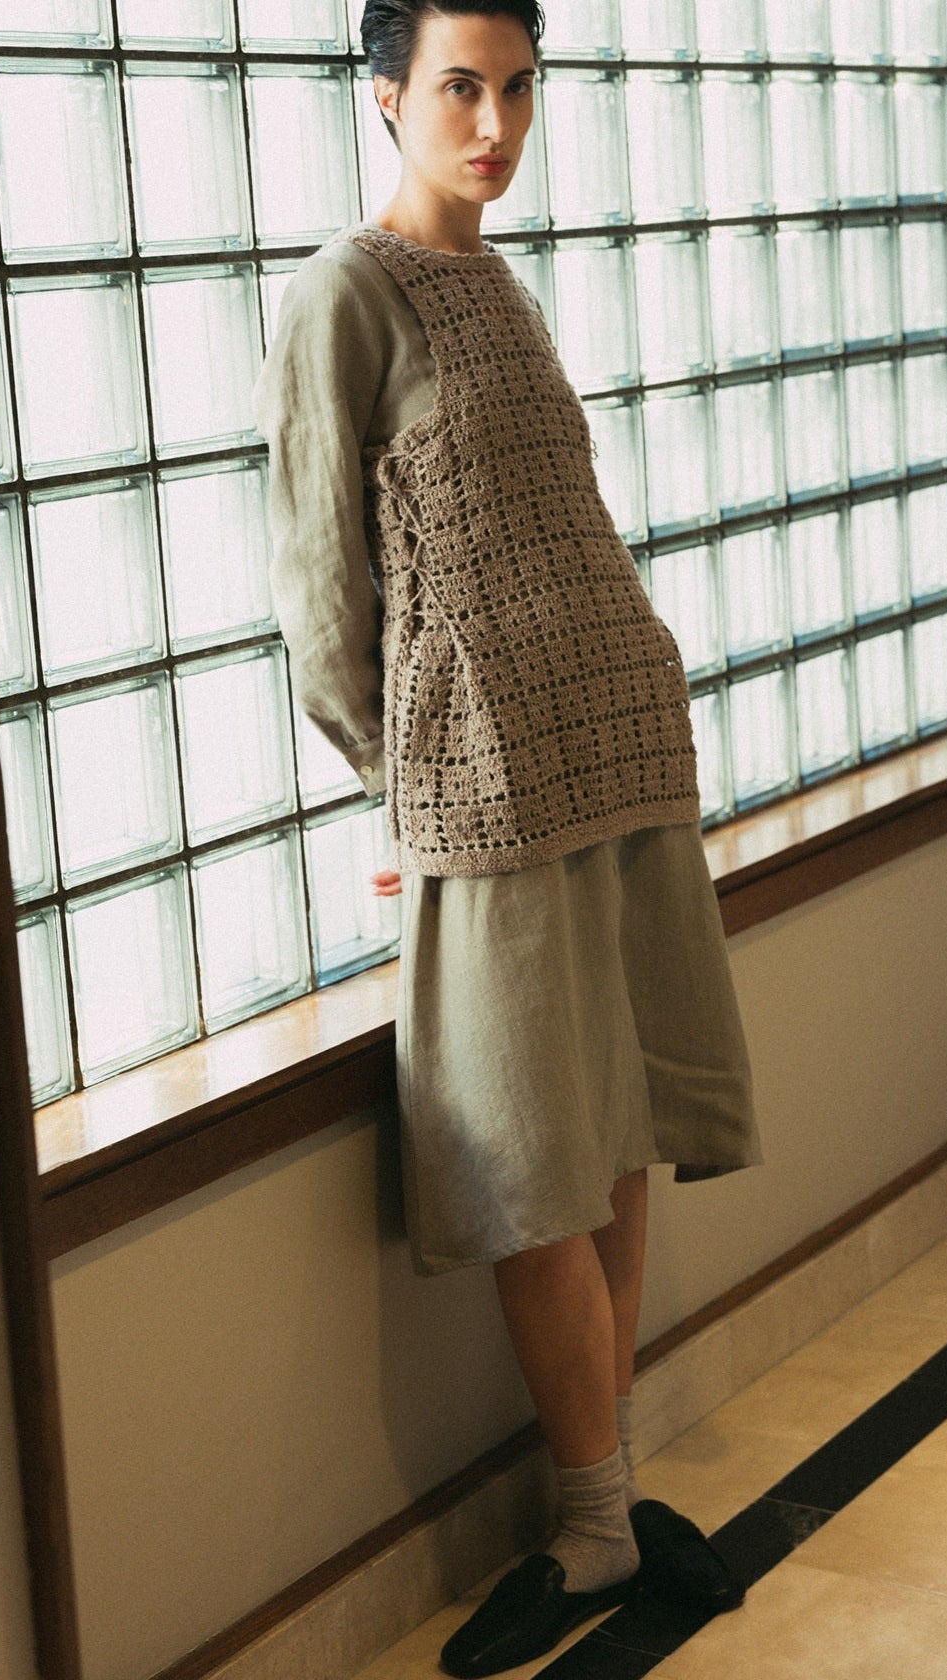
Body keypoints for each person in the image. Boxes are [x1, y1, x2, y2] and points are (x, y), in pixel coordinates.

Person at [254, 3, 763, 1672]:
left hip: (612, 753)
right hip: (485, 792)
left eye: (518, 88)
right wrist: (394, 787)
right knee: (528, 1156)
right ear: (385, 95)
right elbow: (324, 591)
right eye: (460, 89)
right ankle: (593, 1516)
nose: (495, 123)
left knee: (608, 1128)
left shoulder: (503, 287)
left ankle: (608, 1515)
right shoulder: (345, 293)